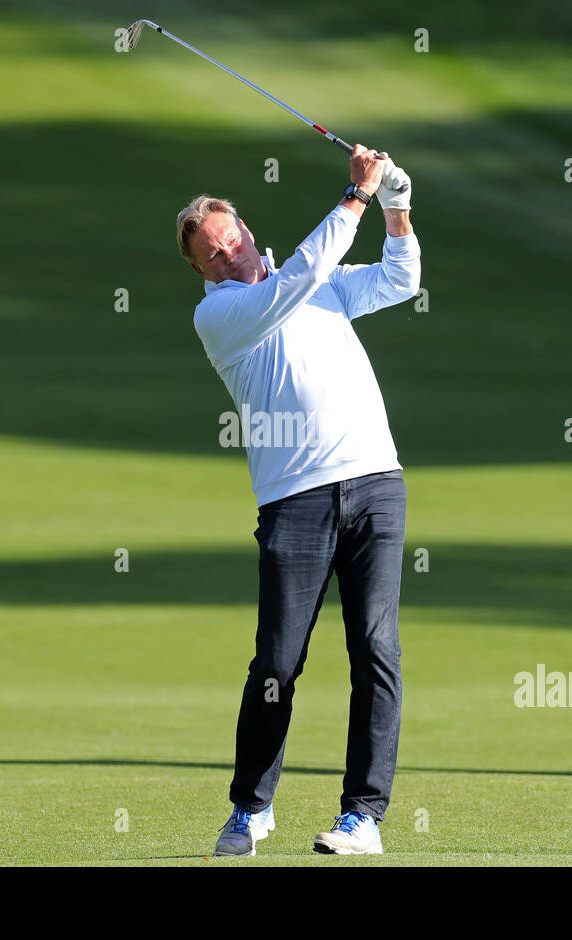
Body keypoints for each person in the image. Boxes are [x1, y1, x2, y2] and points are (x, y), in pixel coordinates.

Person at [178, 145, 420, 854]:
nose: (229, 257)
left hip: (376, 481)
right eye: (212, 256)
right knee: (278, 662)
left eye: (232, 241)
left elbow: (400, 280)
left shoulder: (313, 280)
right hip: (295, 500)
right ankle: (251, 808)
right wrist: (356, 197)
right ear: (198, 271)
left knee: (376, 648)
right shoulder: (226, 314)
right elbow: (303, 275)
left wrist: (396, 205)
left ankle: (363, 817)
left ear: (246, 229)